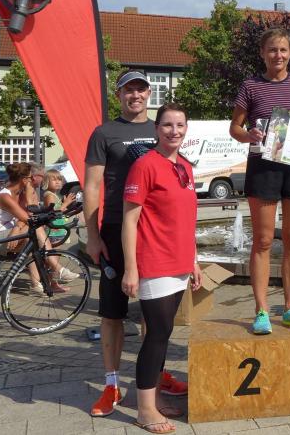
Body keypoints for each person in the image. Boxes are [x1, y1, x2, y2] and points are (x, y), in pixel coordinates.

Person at [84, 71, 187, 418]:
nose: (136, 95)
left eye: (141, 89)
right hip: (117, 228)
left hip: (155, 233)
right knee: (113, 312)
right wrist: (93, 235)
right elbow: (92, 186)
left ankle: (155, 376)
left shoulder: (161, 129)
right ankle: (112, 384)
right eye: (129, 90)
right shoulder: (104, 133)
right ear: (119, 94)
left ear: (149, 94)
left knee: (154, 314)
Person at [229, 28, 290, 334]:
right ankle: (262, 311)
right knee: (263, 240)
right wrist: (248, 134)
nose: (277, 55)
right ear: (262, 53)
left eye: (282, 50)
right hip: (263, 167)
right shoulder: (250, 85)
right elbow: (235, 127)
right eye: (271, 50)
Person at [121, 103, 203, 435]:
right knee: (156, 335)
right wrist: (131, 269)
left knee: (165, 332)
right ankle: (144, 410)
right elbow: (130, 221)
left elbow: (188, 218)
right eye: (167, 125)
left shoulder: (185, 166)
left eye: (180, 125)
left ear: (186, 129)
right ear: (157, 129)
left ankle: (153, 399)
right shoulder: (144, 165)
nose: (174, 131)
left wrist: (194, 259)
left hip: (180, 263)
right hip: (155, 262)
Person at [0, 162, 75, 293]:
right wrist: (19, 225)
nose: (32, 180)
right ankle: (57, 269)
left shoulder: (19, 193)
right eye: (30, 177)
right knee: (36, 228)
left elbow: (29, 215)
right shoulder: (5, 196)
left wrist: (16, 228)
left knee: (33, 241)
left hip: (11, 234)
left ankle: (37, 283)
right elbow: (28, 218)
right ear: (23, 179)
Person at [42, 168, 76, 242]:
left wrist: (65, 207)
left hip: (58, 228)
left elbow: (60, 210)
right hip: (53, 231)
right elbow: (53, 213)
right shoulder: (49, 195)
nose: (57, 182)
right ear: (46, 182)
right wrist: (66, 203)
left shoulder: (55, 195)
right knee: (54, 249)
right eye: (54, 180)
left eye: (59, 179)